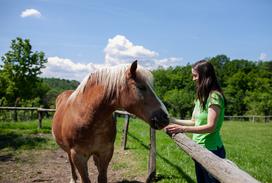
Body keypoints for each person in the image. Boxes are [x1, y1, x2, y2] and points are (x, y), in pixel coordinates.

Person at [165, 60, 226, 183]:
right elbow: (193, 121)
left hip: (211, 150)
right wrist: (172, 120)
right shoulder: (201, 97)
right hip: (198, 149)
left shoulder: (214, 97)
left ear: (205, 76)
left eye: (195, 75)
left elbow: (211, 127)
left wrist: (182, 129)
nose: (193, 79)